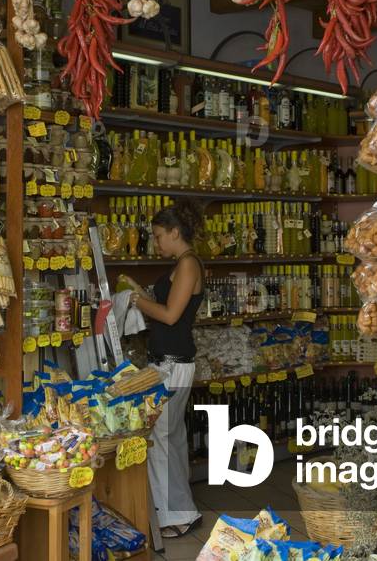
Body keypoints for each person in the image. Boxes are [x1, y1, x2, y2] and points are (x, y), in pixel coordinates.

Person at [118, 199, 204, 539]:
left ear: (174, 232)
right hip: (169, 361)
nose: (155, 243)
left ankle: (177, 517)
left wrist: (137, 301)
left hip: (174, 363)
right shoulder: (184, 263)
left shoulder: (188, 265)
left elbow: (170, 315)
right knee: (172, 438)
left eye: (157, 236)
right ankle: (182, 510)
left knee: (161, 439)